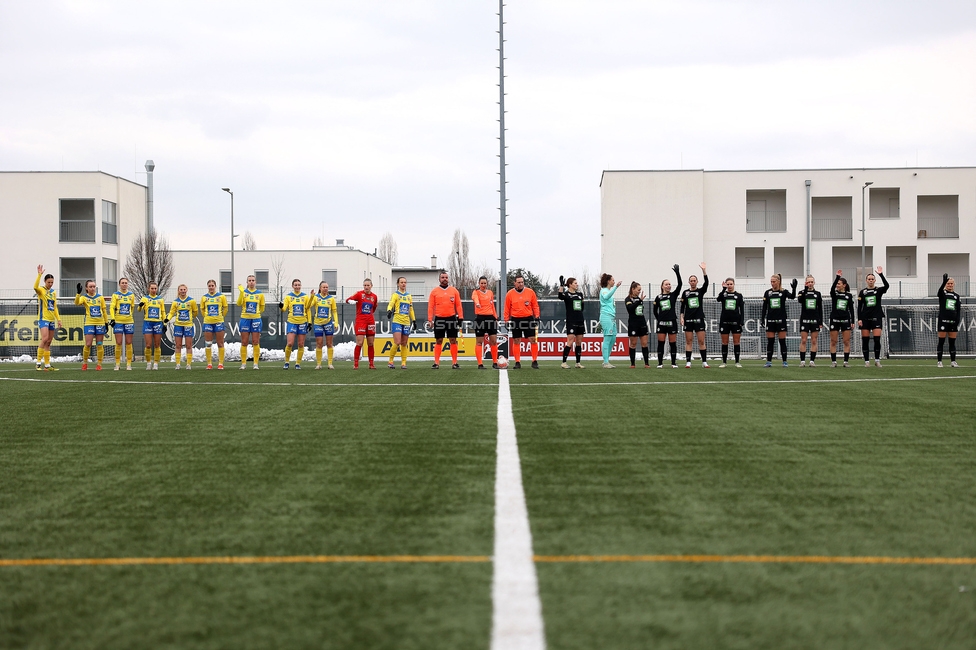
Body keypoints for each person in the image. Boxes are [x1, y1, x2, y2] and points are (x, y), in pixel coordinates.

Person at [504, 275, 542, 369]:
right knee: (516, 340)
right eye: (519, 282)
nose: (521, 284)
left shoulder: (530, 292)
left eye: (522, 282)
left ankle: (534, 361)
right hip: (515, 319)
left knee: (533, 339)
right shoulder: (510, 293)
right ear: (515, 283)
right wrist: (506, 320)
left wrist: (537, 316)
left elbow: (535, 306)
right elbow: (507, 308)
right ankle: (517, 362)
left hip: (528, 318)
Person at [428, 272, 464, 369]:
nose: (444, 279)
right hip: (439, 318)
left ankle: (455, 362)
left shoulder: (454, 291)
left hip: (451, 318)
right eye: (443, 277)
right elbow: (431, 306)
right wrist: (430, 319)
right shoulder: (434, 291)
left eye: (446, 277)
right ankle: (436, 363)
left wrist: (460, 317)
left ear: (448, 279)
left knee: (453, 340)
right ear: (439, 279)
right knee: (439, 340)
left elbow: (458, 305)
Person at [761, 273, 797, 367]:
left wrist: (794, 288)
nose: (772, 283)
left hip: (781, 320)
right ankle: (769, 361)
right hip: (770, 320)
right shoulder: (767, 292)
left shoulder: (783, 292)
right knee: (770, 341)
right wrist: (762, 319)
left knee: (782, 341)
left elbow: (792, 297)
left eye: (774, 281)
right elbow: (765, 307)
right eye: (771, 281)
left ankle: (784, 361)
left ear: (778, 281)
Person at [857, 266, 889, 367]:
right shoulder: (863, 292)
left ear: (874, 280)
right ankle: (866, 361)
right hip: (865, 318)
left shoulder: (878, 291)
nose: (871, 280)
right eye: (869, 279)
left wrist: (881, 274)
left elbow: (887, 286)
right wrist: (859, 319)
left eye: (872, 279)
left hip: (876, 317)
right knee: (865, 340)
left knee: (876, 339)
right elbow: (859, 307)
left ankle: (877, 360)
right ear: (866, 281)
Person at [680, 262, 709, 368]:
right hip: (688, 320)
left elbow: (706, 283)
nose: (692, 282)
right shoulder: (685, 293)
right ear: (689, 282)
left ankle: (704, 362)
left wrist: (704, 271)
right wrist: (682, 317)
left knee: (701, 341)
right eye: (691, 281)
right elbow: (682, 306)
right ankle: (688, 362)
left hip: (699, 319)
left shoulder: (700, 291)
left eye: (694, 280)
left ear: (697, 282)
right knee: (689, 341)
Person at [33, 265, 62, 371]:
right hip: (43, 318)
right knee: (44, 339)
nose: (50, 284)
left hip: (51, 319)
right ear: (45, 281)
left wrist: (58, 319)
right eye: (48, 282)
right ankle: (38, 362)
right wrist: (39, 274)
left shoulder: (53, 292)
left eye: (52, 282)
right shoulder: (41, 290)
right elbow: (35, 287)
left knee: (49, 341)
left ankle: (47, 365)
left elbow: (54, 307)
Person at [653, 265, 682, 368]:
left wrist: (677, 273)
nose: (668, 286)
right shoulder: (658, 297)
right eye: (666, 284)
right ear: (662, 286)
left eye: (669, 284)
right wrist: (659, 319)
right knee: (661, 343)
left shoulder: (673, 295)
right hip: (662, 323)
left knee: (672, 343)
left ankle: (673, 363)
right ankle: (660, 363)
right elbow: (654, 311)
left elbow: (680, 285)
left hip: (672, 322)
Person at [75, 279, 107, 371]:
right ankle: (85, 362)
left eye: (94, 286)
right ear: (86, 288)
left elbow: (104, 310)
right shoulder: (84, 298)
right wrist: (78, 293)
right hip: (89, 323)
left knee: (99, 344)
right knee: (88, 344)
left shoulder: (100, 298)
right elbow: (77, 303)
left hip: (100, 323)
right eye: (91, 287)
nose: (93, 288)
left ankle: (99, 364)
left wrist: (106, 322)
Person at [347, 278, 379, 369]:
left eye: (368, 285)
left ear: (371, 286)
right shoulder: (359, 294)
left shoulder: (374, 297)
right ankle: (356, 364)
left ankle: (371, 364)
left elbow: (374, 308)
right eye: (364, 285)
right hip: (360, 321)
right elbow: (348, 299)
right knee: (360, 342)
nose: (366, 287)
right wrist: (350, 301)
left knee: (371, 343)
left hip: (370, 321)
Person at [386, 276, 416, 369]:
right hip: (397, 320)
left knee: (404, 343)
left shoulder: (409, 296)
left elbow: (411, 309)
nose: (403, 284)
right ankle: (390, 361)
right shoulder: (395, 295)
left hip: (406, 321)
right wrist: (389, 310)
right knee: (397, 342)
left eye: (405, 282)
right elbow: (391, 303)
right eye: (401, 282)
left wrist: (413, 320)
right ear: (398, 284)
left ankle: (403, 363)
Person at [556, 275, 585, 369]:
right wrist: (561, 285)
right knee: (570, 340)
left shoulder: (580, 294)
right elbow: (560, 296)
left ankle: (578, 363)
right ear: (570, 284)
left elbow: (582, 306)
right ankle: (564, 362)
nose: (577, 285)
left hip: (580, 320)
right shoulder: (566, 294)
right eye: (575, 283)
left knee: (579, 342)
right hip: (571, 321)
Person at [308, 281, 338, 369]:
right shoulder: (316, 297)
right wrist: (311, 297)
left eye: (327, 287)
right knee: (319, 343)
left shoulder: (331, 298)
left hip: (328, 323)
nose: (325, 289)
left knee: (329, 343)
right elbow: (308, 306)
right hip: (318, 323)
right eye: (323, 287)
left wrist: (336, 322)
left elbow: (334, 311)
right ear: (320, 288)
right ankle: (318, 364)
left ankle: (330, 363)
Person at [237, 275, 265, 370]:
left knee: (255, 341)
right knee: (244, 342)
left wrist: (256, 314)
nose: (251, 282)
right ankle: (243, 363)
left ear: (255, 282)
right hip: (245, 319)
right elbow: (238, 303)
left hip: (256, 319)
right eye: (249, 280)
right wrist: (241, 292)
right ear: (247, 282)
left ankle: (255, 364)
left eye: (253, 280)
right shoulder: (244, 292)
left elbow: (262, 307)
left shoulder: (260, 294)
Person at [108, 277, 137, 371]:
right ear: (119, 284)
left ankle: (129, 364)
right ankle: (117, 364)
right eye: (122, 283)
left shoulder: (131, 295)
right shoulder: (115, 295)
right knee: (118, 342)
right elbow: (112, 307)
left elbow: (132, 308)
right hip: (118, 321)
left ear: (127, 284)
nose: (124, 284)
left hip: (129, 321)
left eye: (126, 283)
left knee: (129, 343)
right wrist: (113, 318)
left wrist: (129, 317)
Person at [199, 279, 228, 370]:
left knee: (220, 343)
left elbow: (225, 308)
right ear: (208, 287)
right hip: (208, 322)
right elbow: (202, 309)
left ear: (215, 286)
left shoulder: (221, 297)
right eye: (209, 286)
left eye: (212, 285)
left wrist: (220, 317)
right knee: (208, 343)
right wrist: (207, 317)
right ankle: (209, 364)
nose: (211, 287)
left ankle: (220, 363)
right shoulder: (204, 297)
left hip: (219, 322)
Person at [280, 279, 309, 370]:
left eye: (298, 285)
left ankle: (297, 363)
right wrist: (281, 307)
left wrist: (310, 322)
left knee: (301, 344)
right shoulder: (288, 297)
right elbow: (284, 308)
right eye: (295, 285)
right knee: (290, 343)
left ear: (301, 286)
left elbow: (307, 310)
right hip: (291, 322)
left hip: (302, 322)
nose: (297, 286)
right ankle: (287, 362)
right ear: (292, 286)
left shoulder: (305, 297)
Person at [168, 284, 198, 370]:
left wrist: (191, 318)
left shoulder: (191, 301)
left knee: (189, 345)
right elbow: (171, 312)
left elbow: (195, 311)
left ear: (186, 290)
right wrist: (167, 319)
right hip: (178, 325)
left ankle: (188, 364)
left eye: (184, 289)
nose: (183, 291)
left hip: (188, 325)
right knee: (178, 345)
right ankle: (178, 364)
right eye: (181, 289)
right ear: (178, 291)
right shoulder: (175, 302)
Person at [472, 276, 499, 369]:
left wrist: (495, 317)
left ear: (487, 284)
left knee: (493, 341)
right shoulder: (476, 292)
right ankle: (480, 364)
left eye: (485, 283)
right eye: (481, 283)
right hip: (480, 318)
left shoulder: (490, 293)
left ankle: (495, 363)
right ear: (479, 284)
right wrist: (477, 303)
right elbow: (475, 298)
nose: (483, 285)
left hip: (490, 318)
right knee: (479, 342)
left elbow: (492, 306)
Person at [796, 275, 824, 367]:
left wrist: (820, 321)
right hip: (804, 319)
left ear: (814, 283)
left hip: (815, 320)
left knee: (814, 341)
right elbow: (800, 300)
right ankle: (802, 361)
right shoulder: (802, 292)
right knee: (803, 340)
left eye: (812, 282)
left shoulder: (818, 294)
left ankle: (812, 361)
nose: (810, 284)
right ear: (806, 283)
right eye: (808, 282)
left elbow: (820, 308)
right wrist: (805, 288)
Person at [828, 271, 855, 367]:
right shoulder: (834, 294)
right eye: (837, 284)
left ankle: (846, 362)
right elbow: (832, 288)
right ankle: (834, 362)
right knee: (833, 341)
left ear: (844, 285)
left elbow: (851, 309)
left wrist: (852, 321)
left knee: (846, 341)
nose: (837, 285)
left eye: (839, 284)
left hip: (845, 320)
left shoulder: (849, 295)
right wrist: (837, 277)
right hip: (834, 319)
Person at [716, 278, 744, 368]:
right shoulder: (724, 294)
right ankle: (724, 362)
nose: (729, 286)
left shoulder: (738, 295)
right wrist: (723, 289)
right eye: (727, 284)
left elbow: (742, 309)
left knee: (736, 342)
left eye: (731, 284)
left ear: (734, 284)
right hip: (724, 321)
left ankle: (737, 362)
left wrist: (742, 320)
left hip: (736, 321)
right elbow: (718, 299)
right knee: (725, 342)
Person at [138, 282, 166, 370]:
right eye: (152, 288)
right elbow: (139, 310)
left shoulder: (160, 299)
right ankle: (149, 362)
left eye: (155, 288)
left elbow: (163, 312)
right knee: (148, 345)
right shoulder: (145, 298)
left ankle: (156, 363)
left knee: (157, 344)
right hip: (148, 323)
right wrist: (140, 306)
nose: (153, 290)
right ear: (148, 289)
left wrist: (164, 323)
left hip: (158, 323)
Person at [936, 273, 961, 368]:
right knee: (941, 341)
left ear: (954, 284)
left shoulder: (956, 296)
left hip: (953, 322)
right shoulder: (943, 294)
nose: (950, 285)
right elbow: (939, 292)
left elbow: (958, 309)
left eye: (951, 283)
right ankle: (939, 361)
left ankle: (953, 361)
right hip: (943, 321)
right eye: (948, 283)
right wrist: (943, 282)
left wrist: (957, 320)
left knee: (952, 342)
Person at [598, 273, 622, 368]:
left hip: (612, 317)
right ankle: (605, 361)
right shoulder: (603, 291)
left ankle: (606, 360)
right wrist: (616, 287)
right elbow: (606, 297)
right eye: (612, 280)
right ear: (608, 281)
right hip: (606, 316)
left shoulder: (608, 291)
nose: (614, 282)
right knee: (607, 338)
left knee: (613, 339)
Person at [624, 281, 650, 368]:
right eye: (638, 290)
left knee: (644, 344)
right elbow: (630, 309)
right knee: (633, 344)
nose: (639, 291)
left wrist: (640, 300)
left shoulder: (640, 299)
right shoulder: (628, 299)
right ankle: (632, 364)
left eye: (640, 290)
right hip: (633, 324)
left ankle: (646, 363)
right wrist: (639, 301)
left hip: (642, 323)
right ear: (633, 289)